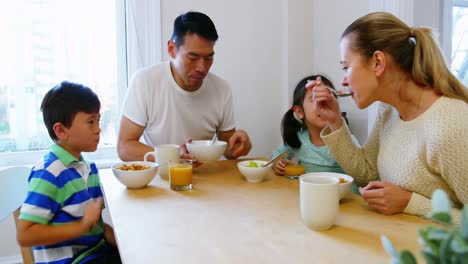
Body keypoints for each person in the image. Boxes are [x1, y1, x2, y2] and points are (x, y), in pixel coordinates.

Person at [309, 12, 468, 222]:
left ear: (377, 62)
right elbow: (367, 174)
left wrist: (411, 202)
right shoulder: (389, 111)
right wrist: (334, 121)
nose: (343, 81)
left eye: (346, 67)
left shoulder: (452, 125)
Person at [117, 11, 252, 162]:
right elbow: (125, 147)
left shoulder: (221, 89)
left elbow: (227, 149)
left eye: (208, 58)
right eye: (193, 57)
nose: (202, 67)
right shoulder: (145, 81)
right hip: (160, 177)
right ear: (171, 49)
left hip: (205, 177)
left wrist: (239, 146)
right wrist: (173, 157)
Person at [17, 81, 121, 263]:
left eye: (98, 121)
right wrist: (82, 226)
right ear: (61, 130)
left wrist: (124, 245)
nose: (98, 129)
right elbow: (25, 235)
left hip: (96, 255)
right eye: (90, 122)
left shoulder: (90, 170)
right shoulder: (48, 173)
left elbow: (98, 228)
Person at [273, 75, 357, 176]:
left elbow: (359, 176)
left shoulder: (346, 141)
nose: (322, 104)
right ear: (299, 111)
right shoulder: (299, 139)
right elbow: (277, 156)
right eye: (314, 99)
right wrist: (278, 164)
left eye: (327, 99)